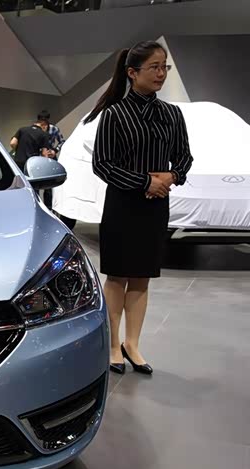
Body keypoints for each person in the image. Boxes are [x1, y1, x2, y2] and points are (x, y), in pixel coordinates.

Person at [87, 40, 192, 375]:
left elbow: (185, 157)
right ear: (132, 73)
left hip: (155, 208)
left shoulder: (172, 114)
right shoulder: (114, 114)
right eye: (154, 67)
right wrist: (145, 182)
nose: (161, 73)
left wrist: (172, 176)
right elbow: (103, 164)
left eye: (164, 67)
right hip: (123, 206)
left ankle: (132, 344)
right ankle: (113, 344)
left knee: (143, 277)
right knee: (117, 276)